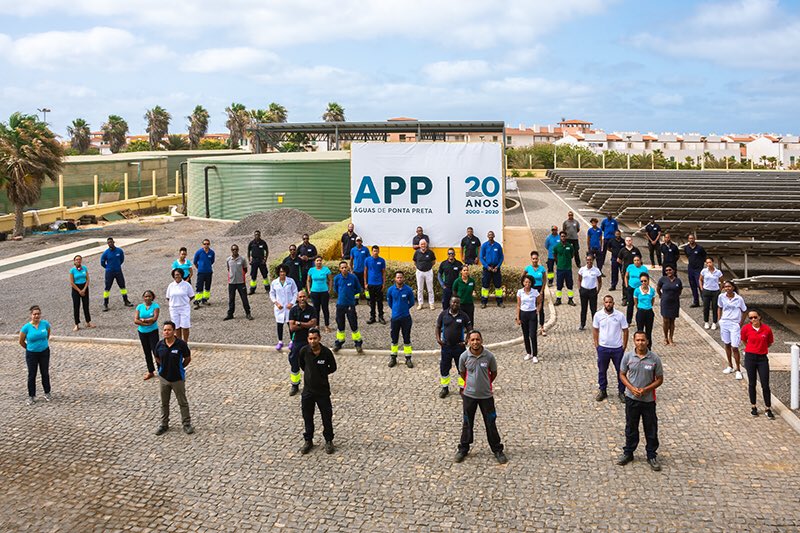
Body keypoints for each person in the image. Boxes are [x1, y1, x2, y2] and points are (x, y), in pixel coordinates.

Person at [454, 330, 507, 464]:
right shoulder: (463, 357)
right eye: (472, 340)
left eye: (477, 339)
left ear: (481, 340)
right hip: (469, 396)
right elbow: (462, 373)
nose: (475, 342)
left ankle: (497, 449)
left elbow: (494, 373)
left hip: (486, 396)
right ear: (468, 342)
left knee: (490, 422)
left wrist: (485, 384)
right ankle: (463, 448)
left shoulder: (489, 356)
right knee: (467, 422)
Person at [617, 331, 664, 472]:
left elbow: (660, 379)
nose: (640, 343)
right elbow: (622, 374)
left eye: (643, 340)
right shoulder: (628, 357)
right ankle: (628, 452)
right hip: (631, 399)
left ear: (647, 341)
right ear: (634, 341)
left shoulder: (654, 359)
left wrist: (646, 389)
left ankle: (651, 455)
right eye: (638, 340)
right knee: (631, 426)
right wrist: (631, 388)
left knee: (651, 428)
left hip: (648, 400)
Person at [299, 328, 337, 455]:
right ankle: (308, 440)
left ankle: (329, 440)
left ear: (319, 338)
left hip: (323, 392)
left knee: (326, 417)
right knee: (307, 416)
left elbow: (333, 367)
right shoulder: (304, 351)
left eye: (315, 338)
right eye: (310, 339)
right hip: (308, 392)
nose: (312, 341)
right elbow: (302, 365)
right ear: (307, 339)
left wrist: (321, 374)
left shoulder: (326, 352)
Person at [154, 321, 194, 436]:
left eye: (169, 330)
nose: (166, 332)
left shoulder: (181, 345)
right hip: (164, 379)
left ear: (174, 331)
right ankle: (164, 424)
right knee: (164, 403)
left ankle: (186, 424)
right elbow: (157, 357)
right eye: (165, 330)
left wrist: (179, 367)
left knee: (182, 402)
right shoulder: (160, 345)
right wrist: (163, 367)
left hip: (178, 379)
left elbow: (187, 358)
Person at [592, 295, 629, 403]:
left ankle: (621, 391)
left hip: (617, 348)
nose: (608, 304)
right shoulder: (598, 315)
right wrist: (597, 344)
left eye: (610, 302)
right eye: (606, 302)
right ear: (604, 303)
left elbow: (625, 330)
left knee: (620, 371)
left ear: (613, 303)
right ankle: (602, 390)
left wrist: (624, 345)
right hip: (603, 348)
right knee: (602, 370)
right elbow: (595, 330)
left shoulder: (620, 315)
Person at [741, 310, 775, 419]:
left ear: (759, 317)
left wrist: (761, 348)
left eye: (755, 317)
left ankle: (768, 408)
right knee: (752, 383)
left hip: (762, 359)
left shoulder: (767, 329)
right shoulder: (746, 328)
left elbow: (769, 342)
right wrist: (751, 348)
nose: (753, 319)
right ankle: (753, 406)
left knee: (765, 384)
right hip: (750, 358)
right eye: (750, 318)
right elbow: (744, 340)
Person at [436, 296, 471, 398]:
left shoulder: (463, 315)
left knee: (462, 368)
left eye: (457, 303)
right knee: (444, 367)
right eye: (453, 302)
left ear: (459, 304)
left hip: (459, 347)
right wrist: (438, 339)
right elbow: (438, 327)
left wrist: (466, 340)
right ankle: (445, 388)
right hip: (446, 347)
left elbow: (470, 328)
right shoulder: (443, 314)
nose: (455, 304)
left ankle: (462, 388)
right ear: (450, 303)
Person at [19, 305, 52, 405]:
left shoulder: (45, 324)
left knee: (45, 372)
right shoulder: (26, 328)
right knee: (32, 374)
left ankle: (47, 392)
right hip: (32, 354)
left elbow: (47, 334)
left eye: (38, 314)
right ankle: (31, 396)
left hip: (44, 352)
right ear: (31, 315)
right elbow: (21, 341)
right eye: (34, 314)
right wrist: (30, 348)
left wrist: (43, 344)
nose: (36, 316)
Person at [288, 290, 317, 396]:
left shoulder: (312, 309)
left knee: (311, 363)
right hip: (297, 340)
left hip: (309, 341)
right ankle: (295, 385)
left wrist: (299, 323)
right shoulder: (293, 310)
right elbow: (292, 327)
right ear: (297, 298)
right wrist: (306, 324)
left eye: (304, 296)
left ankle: (311, 384)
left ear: (307, 297)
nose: (302, 299)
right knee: (294, 362)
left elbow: (313, 324)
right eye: (300, 297)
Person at [332, 261, 363, 353]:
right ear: (339, 269)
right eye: (342, 268)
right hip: (340, 304)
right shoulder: (337, 278)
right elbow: (335, 289)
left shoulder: (353, 277)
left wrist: (350, 294)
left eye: (345, 267)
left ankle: (358, 342)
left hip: (350, 304)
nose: (344, 269)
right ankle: (339, 341)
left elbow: (358, 289)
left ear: (348, 268)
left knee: (353, 324)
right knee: (340, 324)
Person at [718, 280, 747, 380]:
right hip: (724, 323)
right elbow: (719, 307)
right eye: (725, 287)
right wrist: (719, 320)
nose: (727, 288)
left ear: (733, 287)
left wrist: (740, 323)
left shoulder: (739, 299)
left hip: (734, 324)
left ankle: (738, 369)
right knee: (727, 344)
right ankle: (730, 365)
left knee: (734, 347)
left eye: (729, 286)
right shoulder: (721, 297)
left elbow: (744, 311)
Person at [386, 271, 415, 368]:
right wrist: (395, 309)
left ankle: (408, 358)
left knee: (407, 338)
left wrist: (404, 308)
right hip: (395, 318)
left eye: (401, 277)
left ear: (403, 278)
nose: (399, 279)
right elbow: (390, 302)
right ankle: (393, 357)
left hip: (406, 318)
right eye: (398, 277)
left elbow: (411, 302)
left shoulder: (408, 290)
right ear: (395, 279)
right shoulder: (390, 290)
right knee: (394, 339)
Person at [270, 265, 298, 351]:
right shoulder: (274, 282)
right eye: (281, 272)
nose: (282, 273)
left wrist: (292, 303)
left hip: (289, 307)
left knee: (290, 324)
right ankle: (280, 341)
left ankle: (292, 341)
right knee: (279, 324)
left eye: (283, 271)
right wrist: (276, 303)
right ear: (278, 272)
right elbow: (272, 294)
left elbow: (295, 292)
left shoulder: (291, 281)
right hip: (279, 308)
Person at [100, 237, 133, 311]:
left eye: (111, 242)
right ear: (107, 244)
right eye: (108, 243)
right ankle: (105, 304)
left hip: (118, 271)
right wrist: (108, 267)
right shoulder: (105, 253)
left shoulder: (119, 251)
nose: (110, 244)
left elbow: (122, 259)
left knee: (122, 286)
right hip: (109, 273)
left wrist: (117, 265)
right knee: (107, 288)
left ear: (113, 242)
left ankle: (126, 301)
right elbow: (102, 262)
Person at [135, 290, 161, 380]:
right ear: (143, 297)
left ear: (152, 297)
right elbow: (136, 320)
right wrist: (146, 323)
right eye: (146, 296)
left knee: (156, 351)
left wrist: (143, 320)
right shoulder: (139, 307)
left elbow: (154, 318)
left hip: (153, 332)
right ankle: (150, 371)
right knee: (147, 352)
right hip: (142, 332)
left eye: (149, 296)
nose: (147, 298)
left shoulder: (155, 306)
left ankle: (161, 370)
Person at [516, 275, 542, 363]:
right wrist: (518, 317)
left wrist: (537, 310)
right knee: (525, 335)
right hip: (523, 314)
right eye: (526, 282)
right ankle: (528, 352)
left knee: (533, 335)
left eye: (529, 282)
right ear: (523, 283)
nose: (527, 284)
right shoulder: (520, 292)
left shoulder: (535, 292)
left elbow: (539, 302)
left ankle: (535, 355)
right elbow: (518, 305)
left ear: (531, 283)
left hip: (532, 314)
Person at [223, 244, 253, 321]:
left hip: (241, 282)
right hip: (231, 282)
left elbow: (245, 269)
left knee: (244, 298)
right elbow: (228, 269)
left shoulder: (242, 259)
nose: (235, 251)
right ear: (231, 250)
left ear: (238, 250)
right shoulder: (228, 260)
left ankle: (248, 313)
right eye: (233, 249)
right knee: (231, 299)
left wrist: (240, 275)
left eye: (236, 249)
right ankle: (230, 314)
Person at [165, 268, 195, 342]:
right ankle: (179, 342)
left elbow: (191, 296)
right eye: (175, 275)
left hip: (184, 307)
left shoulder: (187, 285)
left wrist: (185, 301)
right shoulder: (171, 285)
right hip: (174, 308)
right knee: (176, 326)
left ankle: (185, 342)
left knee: (185, 326)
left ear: (181, 275)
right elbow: (168, 297)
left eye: (178, 274)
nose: (176, 276)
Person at [656, 266, 682, 346]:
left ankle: (671, 338)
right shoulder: (663, 279)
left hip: (674, 302)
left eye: (670, 270)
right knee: (665, 320)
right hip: (665, 302)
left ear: (673, 270)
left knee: (672, 321)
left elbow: (680, 290)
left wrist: (675, 296)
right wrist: (661, 295)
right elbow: (658, 288)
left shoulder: (678, 281)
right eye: (666, 270)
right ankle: (665, 337)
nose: (668, 271)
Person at [524, 251, 548, 336]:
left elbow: (544, 280)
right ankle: (532, 328)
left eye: (536, 258)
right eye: (533, 259)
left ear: (538, 259)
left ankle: (542, 327)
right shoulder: (528, 268)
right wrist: (525, 289)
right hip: (531, 290)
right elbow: (523, 278)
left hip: (539, 289)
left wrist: (542, 290)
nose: (535, 260)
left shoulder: (542, 269)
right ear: (531, 259)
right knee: (531, 309)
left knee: (540, 309)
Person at [307, 256, 333, 333]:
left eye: (320, 260)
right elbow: (308, 280)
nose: (319, 262)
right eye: (317, 260)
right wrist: (309, 290)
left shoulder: (326, 270)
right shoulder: (311, 270)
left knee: (325, 309)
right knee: (316, 309)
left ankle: (327, 325)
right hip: (314, 292)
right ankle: (316, 325)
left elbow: (330, 280)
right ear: (315, 262)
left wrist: (329, 289)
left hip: (324, 292)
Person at [479, 231, 504, 308]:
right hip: (487, 268)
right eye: (489, 235)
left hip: (496, 268)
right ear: (487, 236)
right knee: (485, 286)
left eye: (492, 235)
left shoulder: (498, 246)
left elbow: (501, 257)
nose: (490, 236)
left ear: (494, 236)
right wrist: (487, 266)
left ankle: (500, 302)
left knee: (498, 286)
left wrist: (497, 266)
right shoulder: (484, 245)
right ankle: (484, 302)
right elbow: (481, 257)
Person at [578, 252, 602, 331]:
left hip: (592, 291)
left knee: (593, 309)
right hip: (584, 290)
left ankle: (595, 324)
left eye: (590, 260)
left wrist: (597, 290)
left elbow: (599, 281)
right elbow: (579, 279)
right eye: (588, 260)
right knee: (583, 308)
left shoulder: (596, 270)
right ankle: (582, 324)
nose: (589, 261)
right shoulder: (582, 269)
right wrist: (580, 289)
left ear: (593, 260)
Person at [69, 255, 94, 331]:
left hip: (84, 287)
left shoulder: (84, 268)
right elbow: (71, 282)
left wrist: (84, 289)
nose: (78, 261)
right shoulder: (72, 270)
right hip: (76, 288)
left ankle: (88, 322)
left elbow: (88, 279)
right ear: (74, 261)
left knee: (86, 305)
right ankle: (76, 324)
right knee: (76, 306)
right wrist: (79, 290)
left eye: (79, 259)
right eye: (77, 259)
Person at [633, 274, 657, 350]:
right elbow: (635, 301)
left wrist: (648, 306)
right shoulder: (637, 290)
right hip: (640, 312)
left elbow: (652, 301)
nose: (643, 282)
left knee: (649, 331)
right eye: (642, 281)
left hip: (649, 312)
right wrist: (639, 307)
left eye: (645, 281)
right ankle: (639, 347)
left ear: (648, 281)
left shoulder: (652, 290)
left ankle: (648, 347)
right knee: (640, 331)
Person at [364, 245, 387, 325]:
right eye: (374, 251)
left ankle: (381, 317)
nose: (375, 252)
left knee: (380, 302)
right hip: (371, 284)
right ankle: (372, 317)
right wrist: (365, 283)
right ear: (372, 251)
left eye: (377, 251)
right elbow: (365, 272)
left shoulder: (382, 260)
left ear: (379, 251)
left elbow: (383, 272)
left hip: (379, 284)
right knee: (372, 301)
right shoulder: (367, 260)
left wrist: (383, 283)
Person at [617, 236, 642, 306]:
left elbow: (640, 258)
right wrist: (623, 265)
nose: (628, 242)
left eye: (630, 240)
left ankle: (636, 298)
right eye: (627, 240)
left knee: (636, 283)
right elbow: (618, 260)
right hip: (625, 270)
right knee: (625, 284)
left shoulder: (636, 250)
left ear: (632, 241)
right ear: (625, 242)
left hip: (635, 270)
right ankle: (625, 299)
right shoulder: (622, 250)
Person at [552, 231, 575, 306]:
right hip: (560, 269)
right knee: (559, 285)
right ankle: (558, 299)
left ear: (566, 237)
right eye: (562, 236)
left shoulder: (570, 246)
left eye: (564, 236)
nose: (563, 237)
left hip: (568, 269)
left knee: (570, 285)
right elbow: (554, 255)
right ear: (560, 237)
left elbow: (572, 255)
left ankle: (570, 299)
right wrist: (558, 261)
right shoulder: (557, 246)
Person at [683, 234, 707, 308]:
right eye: (690, 238)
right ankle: (696, 302)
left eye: (692, 238)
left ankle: (705, 302)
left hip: (698, 269)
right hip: (691, 268)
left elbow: (704, 256)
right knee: (693, 285)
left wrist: (700, 264)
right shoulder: (686, 248)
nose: (691, 240)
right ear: (688, 239)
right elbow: (687, 255)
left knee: (700, 285)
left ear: (694, 239)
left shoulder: (700, 248)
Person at [700, 257, 723, 330]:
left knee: (715, 307)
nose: (708, 264)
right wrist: (702, 288)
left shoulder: (718, 272)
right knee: (706, 307)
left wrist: (720, 289)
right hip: (706, 290)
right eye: (707, 263)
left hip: (715, 291)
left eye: (710, 262)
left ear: (713, 262)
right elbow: (700, 279)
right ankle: (706, 321)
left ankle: (714, 322)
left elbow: (722, 281)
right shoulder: (704, 271)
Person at [624, 256, 648, 325]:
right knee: (630, 304)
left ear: (640, 261)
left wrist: (646, 288)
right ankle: (628, 321)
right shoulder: (630, 267)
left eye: (638, 260)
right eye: (635, 260)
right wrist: (626, 285)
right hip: (631, 287)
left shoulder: (644, 269)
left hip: (640, 289)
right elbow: (626, 276)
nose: (636, 262)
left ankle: (640, 320)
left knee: (640, 305)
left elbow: (646, 279)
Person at [413, 239, 436, 310]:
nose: (423, 245)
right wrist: (419, 267)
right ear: (419, 245)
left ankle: (431, 303)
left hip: (428, 272)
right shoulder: (416, 252)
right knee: (420, 289)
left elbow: (433, 261)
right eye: (421, 244)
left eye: (424, 244)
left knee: (430, 289)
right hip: (419, 272)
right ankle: (420, 304)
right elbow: (414, 261)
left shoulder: (430, 252)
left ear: (426, 245)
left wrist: (428, 267)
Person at [192, 239, 215, 308]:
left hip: (209, 272)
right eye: (205, 244)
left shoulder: (212, 252)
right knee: (199, 287)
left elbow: (212, 261)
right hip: (201, 272)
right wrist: (199, 267)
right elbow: (195, 261)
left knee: (207, 287)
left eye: (207, 244)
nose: (206, 245)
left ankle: (205, 299)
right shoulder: (199, 252)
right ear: (202, 245)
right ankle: (197, 301)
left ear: (209, 244)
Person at [247, 230, 269, 295]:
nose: (257, 236)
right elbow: (248, 251)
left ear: (260, 235)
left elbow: (267, 251)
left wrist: (265, 259)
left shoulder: (263, 242)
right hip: (254, 261)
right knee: (253, 276)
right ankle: (252, 289)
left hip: (261, 261)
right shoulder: (251, 243)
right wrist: (249, 260)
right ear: (254, 235)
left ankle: (267, 289)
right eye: (256, 234)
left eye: (258, 234)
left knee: (265, 275)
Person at [349, 237, 369, 303]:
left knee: (366, 286)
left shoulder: (365, 249)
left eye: (359, 241)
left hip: (364, 271)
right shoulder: (353, 250)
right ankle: (356, 300)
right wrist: (351, 270)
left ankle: (368, 299)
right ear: (355, 242)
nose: (358, 242)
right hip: (356, 271)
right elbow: (351, 260)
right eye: (357, 241)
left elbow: (369, 260)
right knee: (356, 286)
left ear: (362, 241)